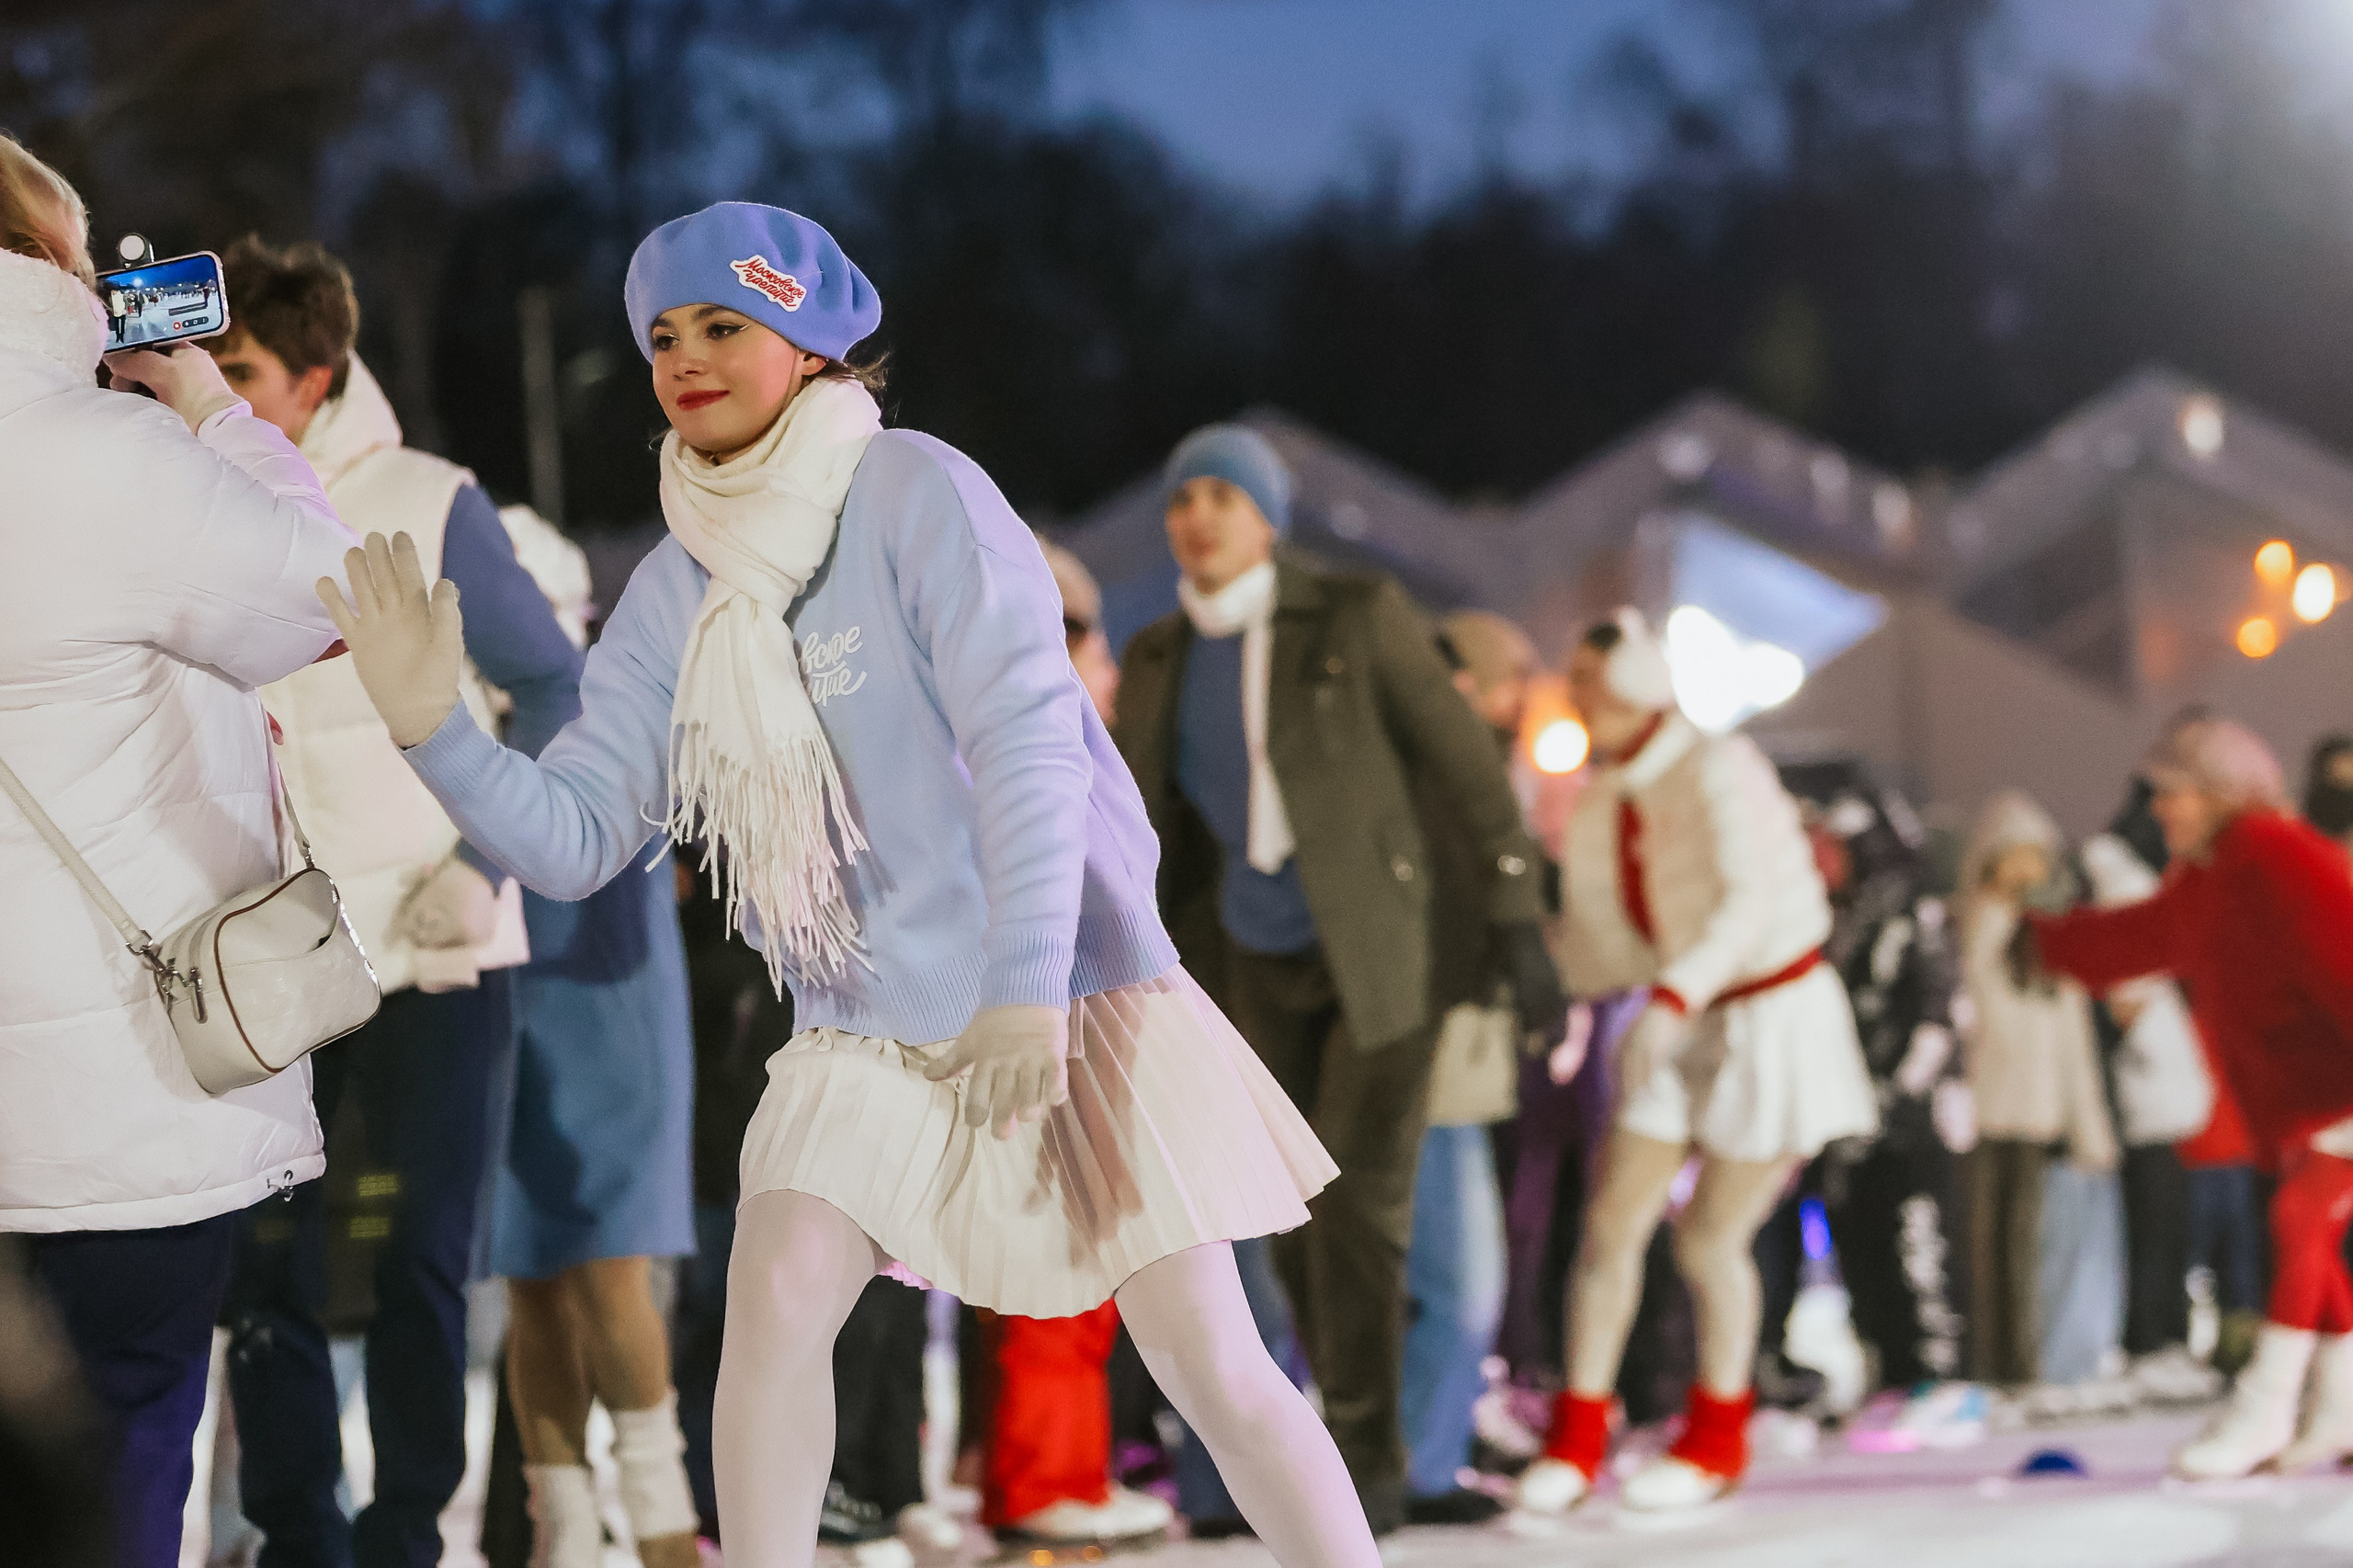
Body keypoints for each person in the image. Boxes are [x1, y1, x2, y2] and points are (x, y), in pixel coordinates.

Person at [319, 200, 1373, 1568]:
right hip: (867, 1022)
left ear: (809, 348)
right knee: (776, 1288)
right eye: (661, 335)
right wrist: (435, 731)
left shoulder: (918, 490)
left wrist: (1026, 988)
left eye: (722, 326)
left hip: (1064, 980)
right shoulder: (677, 583)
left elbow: (1030, 745)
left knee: (1207, 1357)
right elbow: (578, 837)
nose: (685, 358)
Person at [199, 237, 585, 1568]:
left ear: (318, 374)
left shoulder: (431, 494)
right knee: (265, 1259)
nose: (214, 390)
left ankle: (411, 1531)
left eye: (239, 368)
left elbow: (558, 687)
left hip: (438, 939)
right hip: (273, 943)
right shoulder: (196, 495)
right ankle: (300, 1530)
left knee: (426, 1256)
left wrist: (489, 864)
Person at [0, 136, 355, 1568]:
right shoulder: (107, 459)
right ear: (55, 268)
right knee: (120, 1458)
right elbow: (338, 593)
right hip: (117, 1109)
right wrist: (208, 400)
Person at [1112, 425, 1564, 1531]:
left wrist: (1518, 924)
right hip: (1246, 964)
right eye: (1181, 498)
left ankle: (1364, 1466)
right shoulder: (1164, 653)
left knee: (1358, 1207)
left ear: (1267, 514)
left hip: (1374, 959)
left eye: (1222, 494)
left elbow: (1467, 768)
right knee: (1284, 1217)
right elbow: (1140, 825)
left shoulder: (1355, 616)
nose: (1198, 515)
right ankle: (1309, 1455)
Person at [1515, 611, 1876, 1516]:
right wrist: (1545, 980)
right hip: (1671, 1017)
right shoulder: (1599, 797)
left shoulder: (1722, 764)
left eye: (1592, 679)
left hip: (1767, 1014)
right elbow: (1598, 936)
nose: (1580, 697)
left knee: (1711, 1236)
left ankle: (1718, 1435)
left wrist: (1674, 993)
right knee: (1611, 1222)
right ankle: (1578, 1434)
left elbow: (1746, 897)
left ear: (1635, 683)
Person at [2018, 716, 2353, 1479]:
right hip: (2301, 1093)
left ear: (2219, 791)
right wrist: (2049, 943)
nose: (2160, 811)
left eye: (2172, 794)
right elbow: (2150, 936)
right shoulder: (2216, 870)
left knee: (2298, 1223)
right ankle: (2339, 1410)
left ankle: (2264, 1406)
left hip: (2338, 1084)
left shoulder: (2279, 853)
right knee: (2316, 1251)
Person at [483, 505, 701, 1568]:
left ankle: (663, 1528)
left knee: (611, 1261)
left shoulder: (604, 694)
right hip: (507, 994)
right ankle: (561, 1529)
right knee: (527, 1268)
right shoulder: (481, 707)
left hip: (607, 998)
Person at [970, 539, 1176, 1551]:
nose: (1101, 663)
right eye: (1083, 636)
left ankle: (1053, 1465)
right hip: (1059, 1007)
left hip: (1078, 1002)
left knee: (1084, 1243)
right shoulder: (1032, 735)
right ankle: (1041, 1469)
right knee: (1060, 1242)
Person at [1394, 610, 1548, 1526]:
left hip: (1455, 1047)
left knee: (1448, 1275)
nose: (1521, 696)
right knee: (1458, 1276)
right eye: (1511, 676)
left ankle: (1425, 1447)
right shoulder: (1444, 769)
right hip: (1435, 1048)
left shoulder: (1464, 767)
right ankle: (1420, 1456)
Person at [1798, 779, 1971, 1423]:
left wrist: (1898, 1094)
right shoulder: (1835, 918)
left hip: (1907, 1121)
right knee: (1861, 1246)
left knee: (1914, 1241)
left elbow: (1934, 1010)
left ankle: (1934, 1374)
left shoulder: (1907, 909)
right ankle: (1887, 1368)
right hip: (1850, 1115)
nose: (1821, 859)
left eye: (1833, 846)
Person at [1956, 791, 2121, 1407]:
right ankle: (1987, 1365)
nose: (2025, 873)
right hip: (1977, 1114)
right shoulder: (1973, 929)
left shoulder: (2055, 941)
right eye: (2013, 859)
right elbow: (1964, 1008)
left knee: (2026, 1249)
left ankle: (2024, 1367)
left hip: (2037, 1112)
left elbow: (2074, 1044)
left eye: (2036, 860)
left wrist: (2090, 1129)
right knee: (1981, 1250)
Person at [2079, 787, 2225, 1408]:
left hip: (2160, 1086)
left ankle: (2161, 1335)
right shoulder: (2124, 880)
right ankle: (2150, 1340)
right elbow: (2125, 987)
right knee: (2155, 1220)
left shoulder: (2138, 879)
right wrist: (2143, 1036)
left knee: (2167, 1219)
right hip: (2147, 1089)